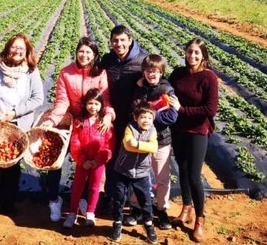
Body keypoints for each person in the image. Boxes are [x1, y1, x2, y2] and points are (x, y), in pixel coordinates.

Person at [40, 37, 115, 222]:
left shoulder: (100, 74)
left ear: (95, 55)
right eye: (81, 51)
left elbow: (105, 99)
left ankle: (83, 201)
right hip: (70, 122)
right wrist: (52, 120)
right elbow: (62, 102)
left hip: (92, 124)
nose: (84, 55)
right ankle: (54, 200)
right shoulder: (66, 73)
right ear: (76, 52)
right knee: (55, 161)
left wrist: (108, 115)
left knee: (91, 159)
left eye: (88, 52)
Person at [0, 33, 44, 217]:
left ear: (27, 52)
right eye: (14, 47)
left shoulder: (31, 72)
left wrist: (14, 113)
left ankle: (8, 203)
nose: (17, 51)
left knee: (13, 164)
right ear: (8, 48)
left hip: (19, 124)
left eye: (21, 49)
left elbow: (38, 98)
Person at [168, 38, 219, 242]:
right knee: (182, 168)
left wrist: (182, 109)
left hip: (198, 130)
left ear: (203, 56)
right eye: (190, 52)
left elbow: (210, 109)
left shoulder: (209, 78)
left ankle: (199, 218)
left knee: (195, 175)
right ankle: (186, 208)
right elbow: (165, 89)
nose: (192, 56)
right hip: (179, 129)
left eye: (197, 53)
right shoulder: (179, 74)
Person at [125, 54, 178, 230]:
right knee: (138, 174)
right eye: (148, 71)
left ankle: (161, 210)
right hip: (141, 138)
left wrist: (148, 117)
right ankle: (136, 208)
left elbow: (172, 115)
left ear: (161, 72)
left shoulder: (166, 90)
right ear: (143, 72)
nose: (151, 74)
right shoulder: (139, 88)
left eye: (155, 71)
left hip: (162, 140)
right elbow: (134, 109)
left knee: (162, 178)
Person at [99, 24, 146, 209]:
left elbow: (158, 80)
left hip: (133, 120)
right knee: (111, 157)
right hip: (111, 117)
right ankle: (112, 195)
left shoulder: (142, 61)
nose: (118, 44)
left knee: (133, 157)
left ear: (130, 40)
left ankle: (132, 201)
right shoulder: (107, 60)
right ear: (111, 43)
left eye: (122, 40)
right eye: (115, 41)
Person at [63, 88, 115, 228]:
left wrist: (98, 160)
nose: (93, 107)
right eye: (90, 103)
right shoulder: (79, 122)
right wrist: (82, 160)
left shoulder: (105, 124)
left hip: (98, 163)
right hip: (83, 162)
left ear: (101, 106)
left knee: (94, 187)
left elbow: (108, 145)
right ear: (85, 104)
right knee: (77, 187)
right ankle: (72, 213)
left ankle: (90, 212)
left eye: (97, 104)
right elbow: (75, 142)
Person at [110, 101, 159, 244]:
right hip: (123, 170)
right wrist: (145, 146)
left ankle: (148, 224)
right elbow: (127, 144)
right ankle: (117, 223)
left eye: (149, 118)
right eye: (143, 117)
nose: (146, 120)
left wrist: (137, 144)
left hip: (142, 173)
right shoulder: (130, 127)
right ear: (136, 118)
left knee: (145, 200)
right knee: (119, 198)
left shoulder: (153, 130)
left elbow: (154, 147)